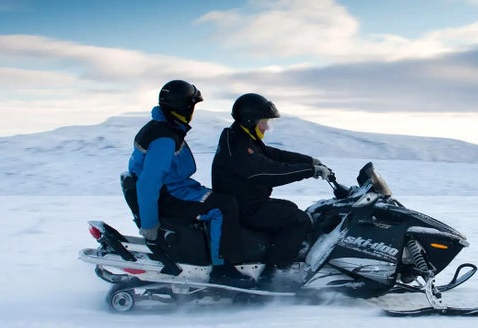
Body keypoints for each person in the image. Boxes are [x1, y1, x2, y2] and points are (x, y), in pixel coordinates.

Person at [128, 80, 255, 289]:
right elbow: (148, 183)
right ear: (184, 107)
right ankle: (222, 270)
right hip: (169, 196)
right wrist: (149, 224)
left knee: (221, 198)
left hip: (172, 190)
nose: (193, 111)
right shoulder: (164, 138)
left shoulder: (163, 128)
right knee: (224, 206)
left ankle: (206, 250)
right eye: (192, 106)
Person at [211, 93, 331, 285]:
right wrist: (309, 171)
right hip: (244, 207)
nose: (266, 127)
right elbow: (266, 171)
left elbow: (272, 154)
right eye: (264, 122)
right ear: (250, 120)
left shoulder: (242, 138)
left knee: (291, 208)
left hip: (247, 201)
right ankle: (272, 276)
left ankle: (273, 255)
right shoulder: (238, 145)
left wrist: (308, 161)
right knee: (298, 221)